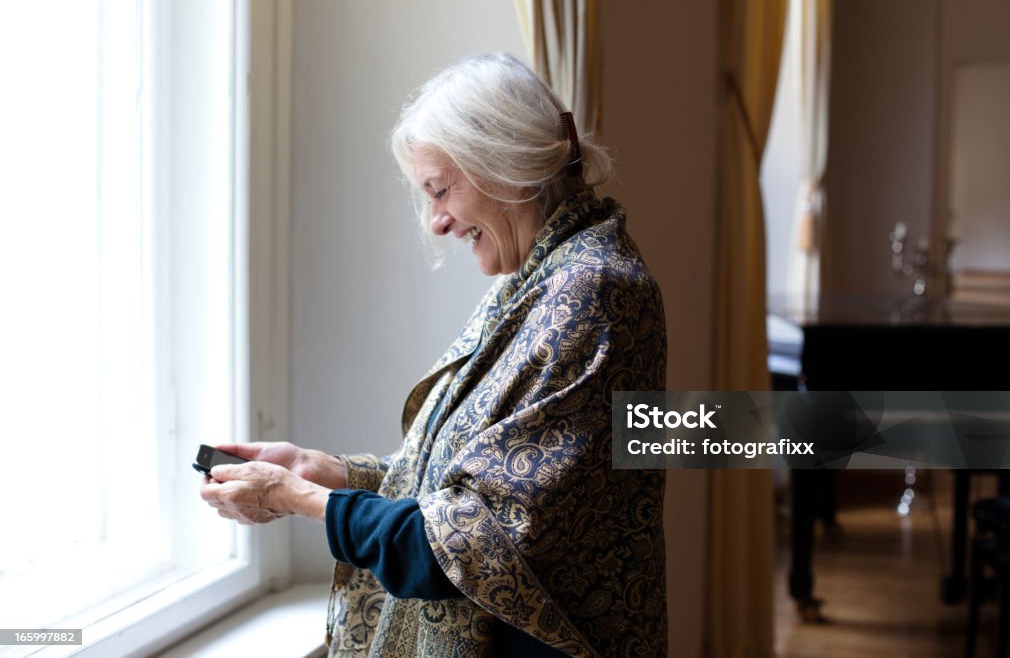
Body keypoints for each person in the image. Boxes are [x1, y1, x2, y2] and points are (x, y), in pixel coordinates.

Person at [200, 52, 668, 657]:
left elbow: (464, 544)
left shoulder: (591, 291)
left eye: (441, 190)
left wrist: (294, 498)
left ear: (507, 165)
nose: (436, 222)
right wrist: (328, 471)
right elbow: (473, 484)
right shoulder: (541, 280)